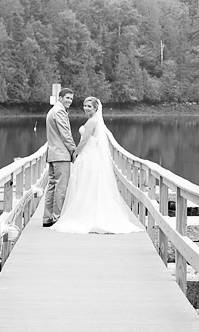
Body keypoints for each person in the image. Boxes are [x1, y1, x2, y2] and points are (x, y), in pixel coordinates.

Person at [51, 96, 142, 234]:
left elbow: (84, 141)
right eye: (85, 105)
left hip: (88, 156)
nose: (86, 108)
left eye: (89, 106)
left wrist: (75, 154)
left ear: (95, 108)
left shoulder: (92, 122)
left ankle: (87, 215)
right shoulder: (94, 121)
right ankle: (87, 211)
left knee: (86, 185)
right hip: (90, 155)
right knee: (87, 185)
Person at [42, 88, 77, 228]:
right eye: (67, 98)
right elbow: (65, 134)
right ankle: (58, 218)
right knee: (61, 187)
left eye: (71, 99)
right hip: (61, 155)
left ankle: (47, 217)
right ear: (60, 97)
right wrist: (74, 151)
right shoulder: (60, 111)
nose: (69, 101)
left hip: (53, 154)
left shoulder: (52, 111)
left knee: (52, 186)